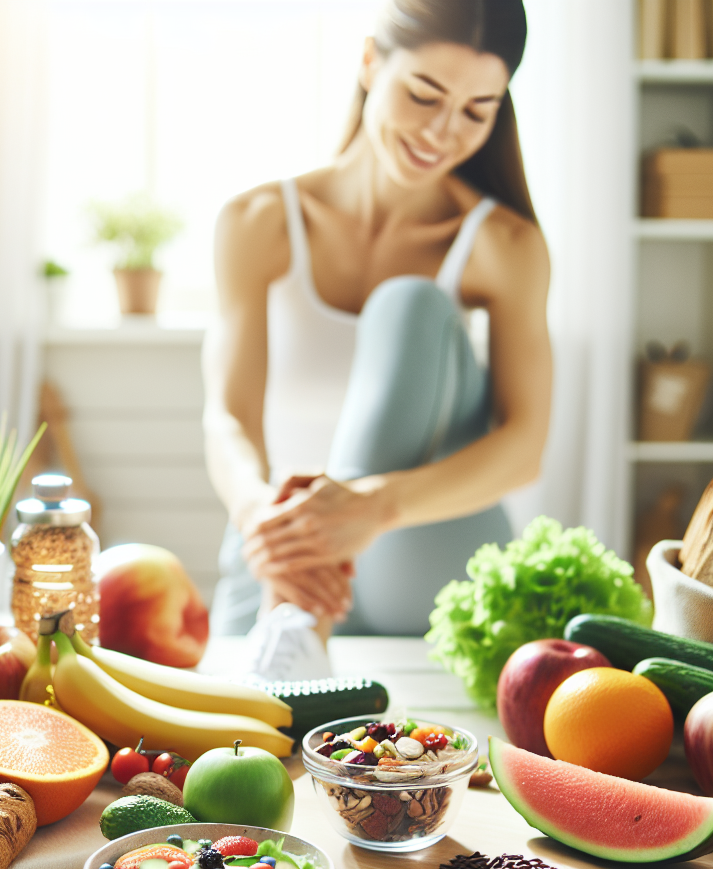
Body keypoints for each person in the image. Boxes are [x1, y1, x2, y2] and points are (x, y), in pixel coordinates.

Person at [203, 0, 551, 677]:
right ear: (370, 61)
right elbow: (227, 419)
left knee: (410, 305)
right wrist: (265, 523)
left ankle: (298, 616)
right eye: (424, 95)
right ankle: (295, 601)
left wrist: (371, 507)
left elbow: (524, 448)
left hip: (426, 552)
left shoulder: (505, 246)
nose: (444, 132)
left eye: (478, 110)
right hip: (287, 563)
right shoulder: (257, 221)